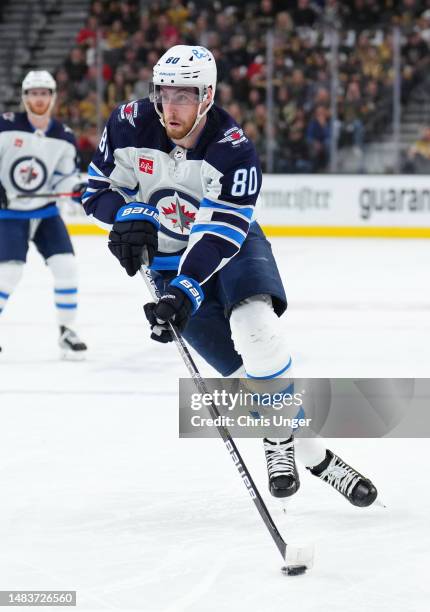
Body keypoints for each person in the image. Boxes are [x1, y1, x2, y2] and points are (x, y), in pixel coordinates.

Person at [83, 45, 377, 507]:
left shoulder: (232, 147)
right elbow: (96, 192)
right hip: (166, 262)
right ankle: (317, 457)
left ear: (207, 96)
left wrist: (184, 289)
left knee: (257, 328)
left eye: (184, 95)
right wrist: (127, 214)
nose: (170, 106)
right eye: (163, 93)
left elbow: (220, 236)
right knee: (244, 382)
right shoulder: (128, 123)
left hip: (231, 247)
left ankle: (281, 445)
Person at [0, 70, 87, 359]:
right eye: (34, 93)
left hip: (46, 213)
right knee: (8, 274)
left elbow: (64, 177)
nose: (39, 99)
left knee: (67, 268)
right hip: (9, 214)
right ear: (25, 98)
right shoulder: (5, 126)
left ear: (52, 97)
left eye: (44, 93)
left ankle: (67, 332)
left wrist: (74, 187)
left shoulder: (63, 136)